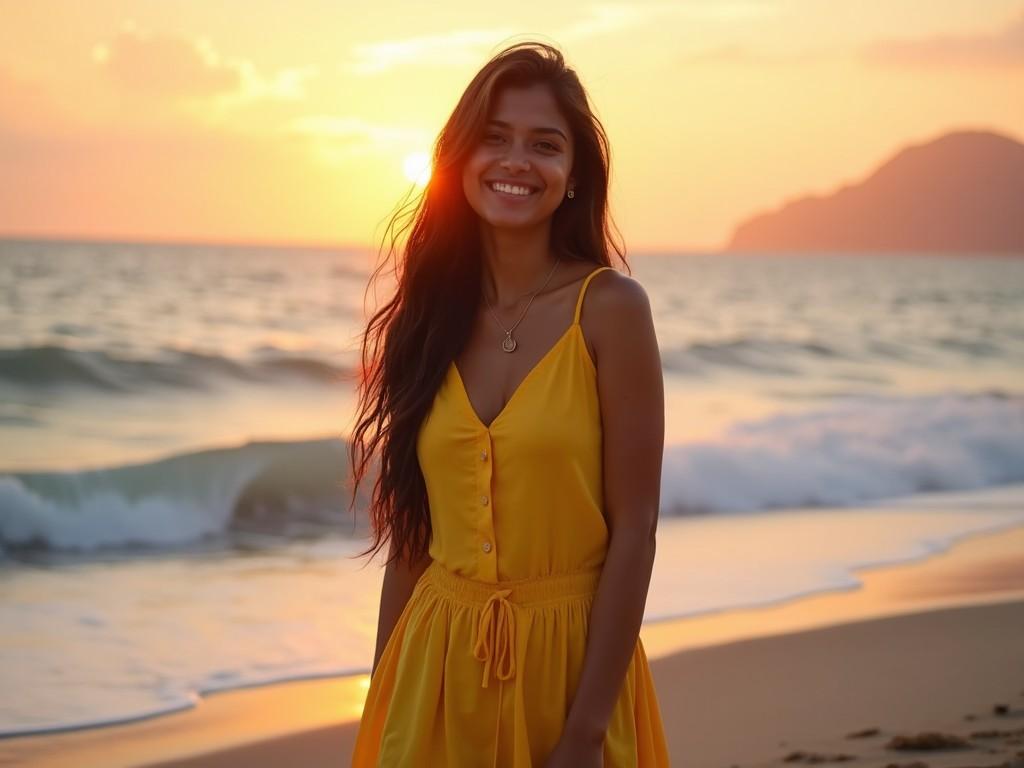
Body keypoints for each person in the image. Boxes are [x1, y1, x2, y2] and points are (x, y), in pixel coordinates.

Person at [346, 39, 670, 767]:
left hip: (571, 671)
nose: (517, 162)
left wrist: (586, 732)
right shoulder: (430, 320)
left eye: (544, 145)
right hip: (434, 670)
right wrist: (383, 699)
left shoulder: (611, 309)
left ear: (574, 174)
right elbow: (411, 537)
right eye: (494, 139)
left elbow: (636, 529)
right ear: (458, 159)